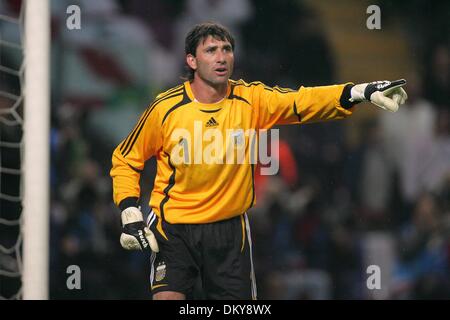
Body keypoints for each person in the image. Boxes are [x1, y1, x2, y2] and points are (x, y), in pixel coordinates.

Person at [110, 22, 407, 300]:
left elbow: (302, 101)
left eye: (226, 49)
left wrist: (358, 92)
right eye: (211, 50)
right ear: (191, 61)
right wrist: (129, 210)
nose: (221, 56)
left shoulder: (251, 100)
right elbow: (125, 158)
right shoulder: (166, 109)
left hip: (229, 230)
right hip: (173, 226)